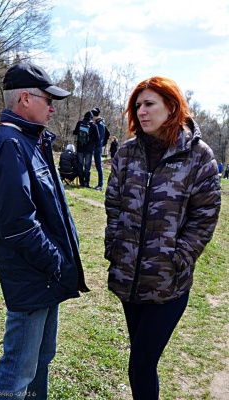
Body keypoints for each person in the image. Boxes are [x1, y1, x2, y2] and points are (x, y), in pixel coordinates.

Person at [104, 76, 221, 400]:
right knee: (140, 362)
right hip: (129, 280)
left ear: (171, 107)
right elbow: (113, 205)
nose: (141, 111)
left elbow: (205, 216)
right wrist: (115, 246)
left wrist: (177, 257)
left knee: (141, 363)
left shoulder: (198, 156)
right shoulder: (126, 154)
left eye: (149, 104)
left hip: (169, 284)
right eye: (137, 105)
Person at [0, 62, 89, 400]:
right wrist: (56, 261)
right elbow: (18, 225)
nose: (53, 107)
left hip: (46, 276)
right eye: (49, 99)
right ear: (26, 98)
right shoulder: (10, 145)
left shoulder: (31, 140)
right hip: (34, 277)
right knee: (17, 372)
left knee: (41, 360)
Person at [73, 111, 99, 187]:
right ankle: (86, 183)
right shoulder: (93, 125)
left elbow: (74, 132)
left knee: (80, 165)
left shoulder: (79, 123)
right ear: (91, 117)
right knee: (87, 166)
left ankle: (81, 182)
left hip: (80, 148)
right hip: (89, 149)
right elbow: (98, 138)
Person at [91, 107, 110, 190]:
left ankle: (100, 185)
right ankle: (100, 184)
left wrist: (101, 144)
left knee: (98, 165)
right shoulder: (101, 122)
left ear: (95, 116)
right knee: (98, 165)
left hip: (97, 147)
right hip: (98, 146)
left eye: (92, 116)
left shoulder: (99, 124)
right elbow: (108, 134)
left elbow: (98, 136)